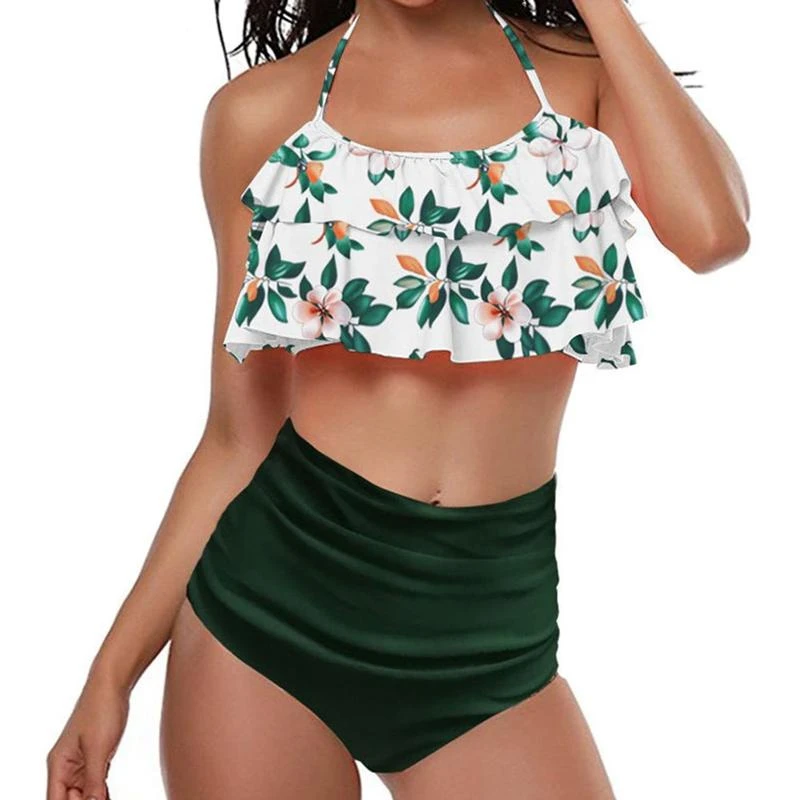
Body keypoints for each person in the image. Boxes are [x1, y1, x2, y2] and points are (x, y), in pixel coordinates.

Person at [46, 1, 750, 798]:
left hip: (491, 642)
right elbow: (237, 438)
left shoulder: (580, 80)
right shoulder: (262, 114)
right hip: (268, 623)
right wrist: (110, 678)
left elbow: (713, 234)